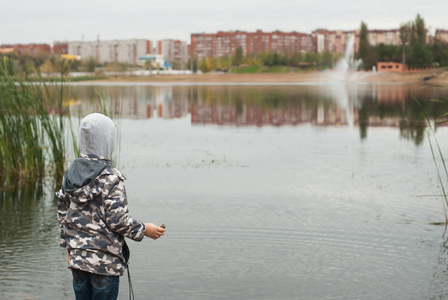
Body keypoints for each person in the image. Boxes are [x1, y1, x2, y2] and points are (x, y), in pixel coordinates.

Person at [56, 113, 165, 300]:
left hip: (77, 261)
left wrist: (69, 248)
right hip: (104, 264)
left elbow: (62, 215)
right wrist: (144, 229)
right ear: (108, 140)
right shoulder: (111, 177)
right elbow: (117, 221)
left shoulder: (71, 174)